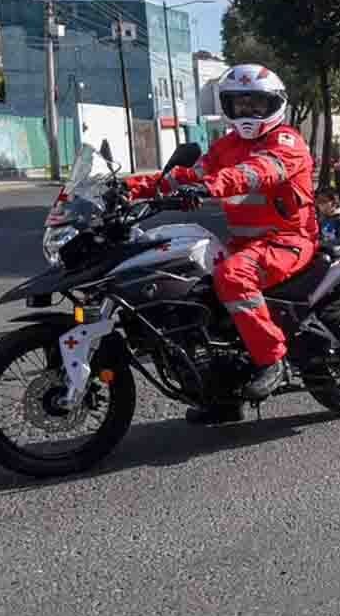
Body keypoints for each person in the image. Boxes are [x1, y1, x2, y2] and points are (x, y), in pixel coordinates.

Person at [126, 63, 315, 422]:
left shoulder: (286, 142)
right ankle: (221, 394)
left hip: (287, 241)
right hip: (246, 244)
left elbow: (256, 172)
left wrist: (209, 187)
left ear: (275, 104)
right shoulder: (226, 145)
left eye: (256, 104)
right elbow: (187, 175)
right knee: (189, 285)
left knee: (232, 277)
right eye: (239, 105)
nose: (247, 113)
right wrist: (130, 188)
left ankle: (272, 359)